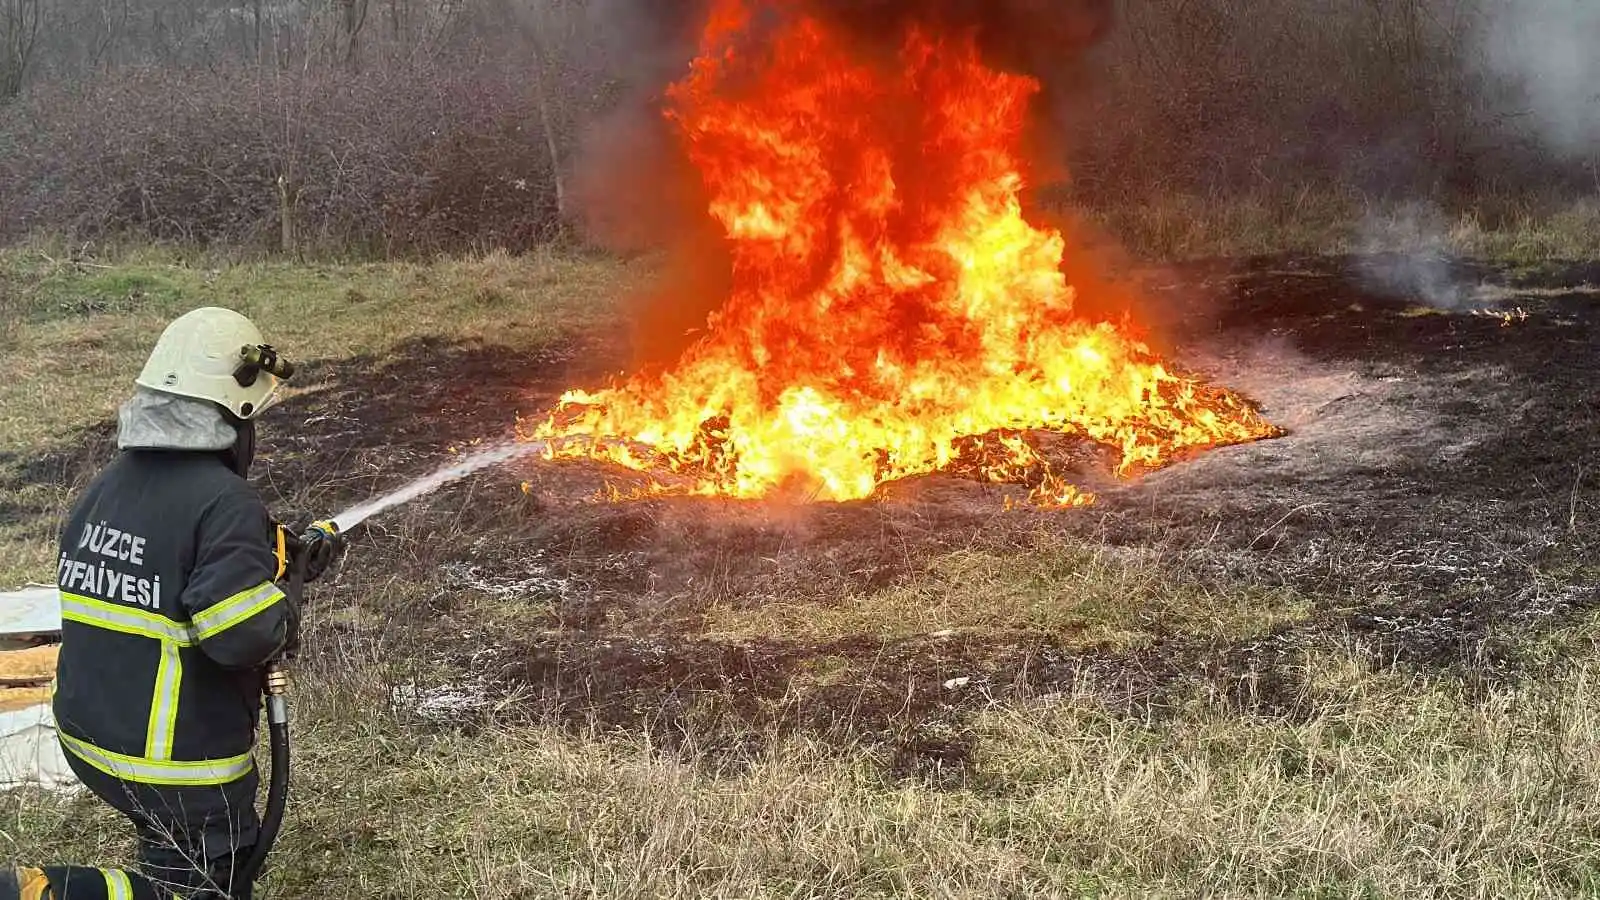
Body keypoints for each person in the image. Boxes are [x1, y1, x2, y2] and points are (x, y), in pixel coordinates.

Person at [41, 307, 342, 899]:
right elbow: (242, 636)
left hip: (92, 738)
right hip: (177, 766)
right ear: (235, 413)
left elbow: (171, 563)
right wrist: (286, 596)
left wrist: (275, 558)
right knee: (204, 882)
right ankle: (34, 890)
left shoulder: (110, 484)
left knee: (171, 850)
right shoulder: (225, 500)